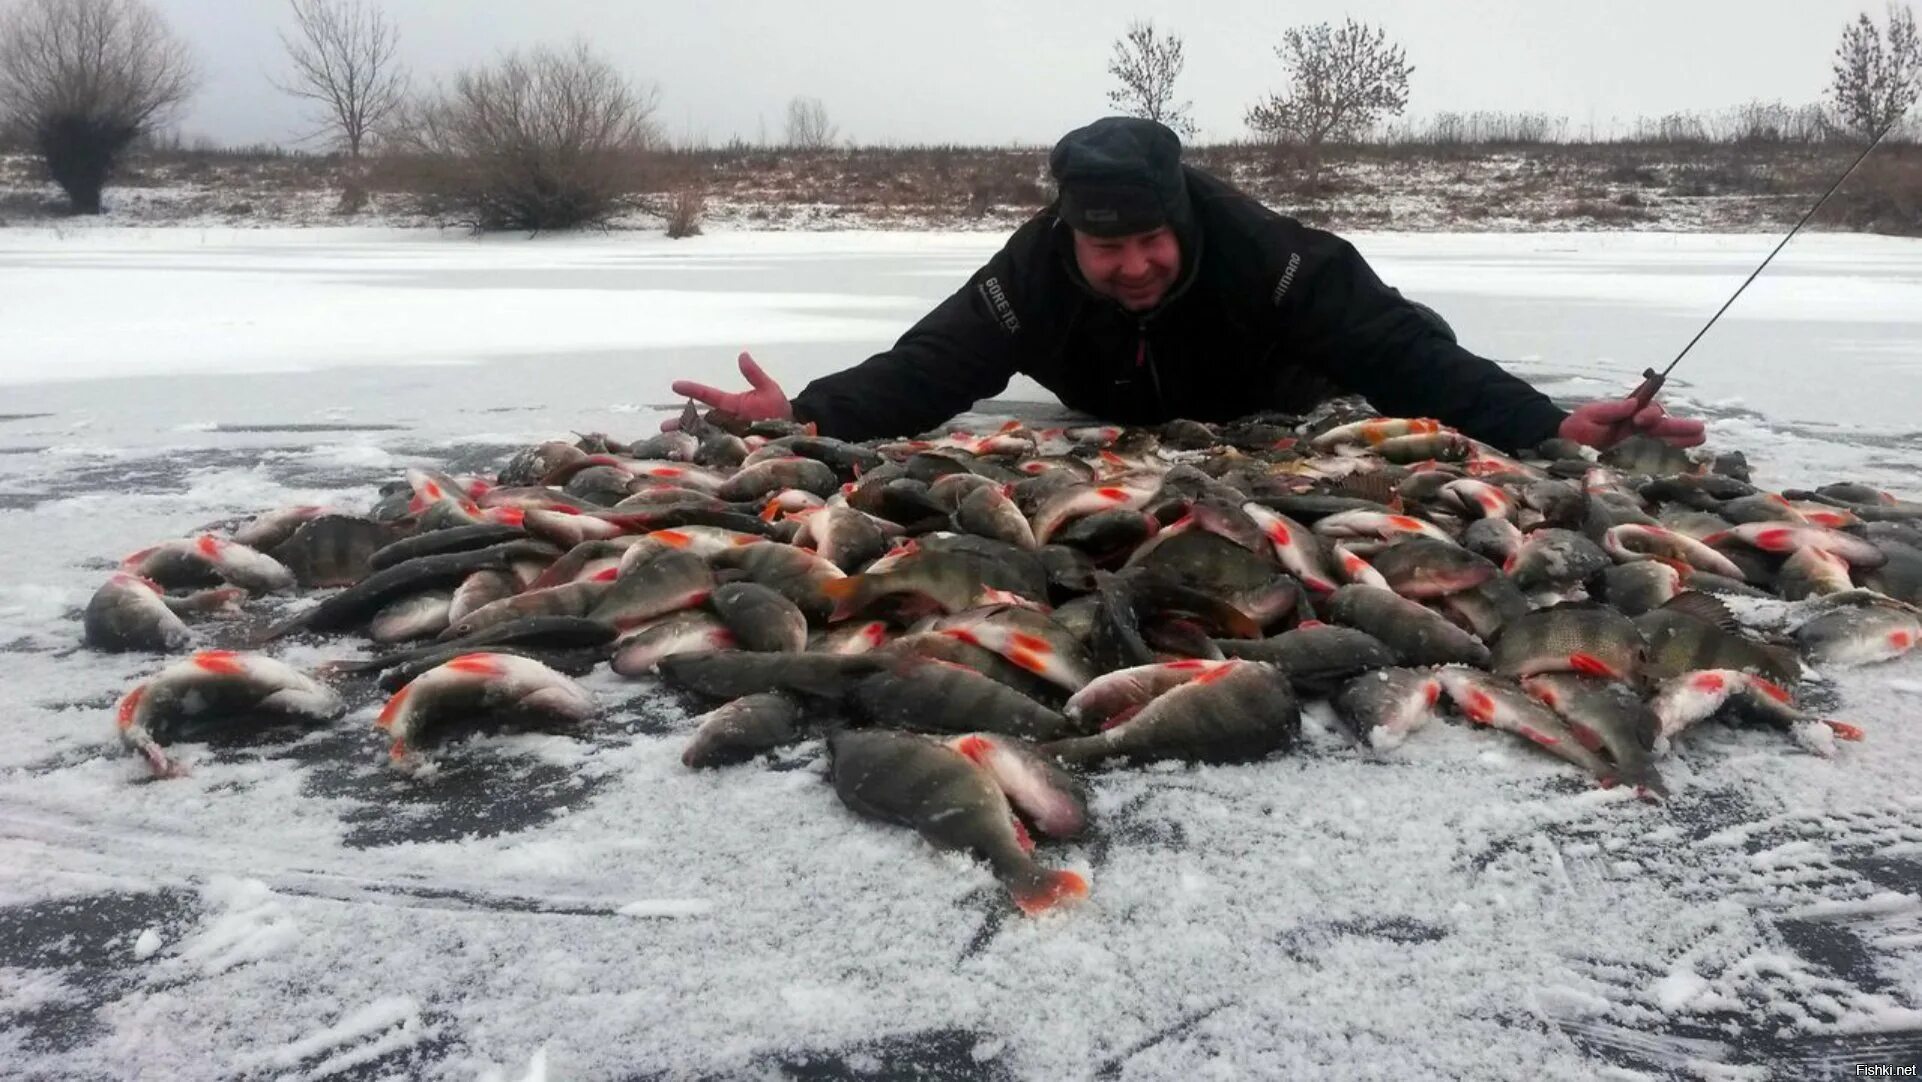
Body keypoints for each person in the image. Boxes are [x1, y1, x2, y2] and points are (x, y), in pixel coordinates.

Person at [665, 116, 1705, 453]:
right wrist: (801, 413)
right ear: (1070, 231)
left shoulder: (1268, 251)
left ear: (1179, 216)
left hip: (1269, 398)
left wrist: (1544, 426)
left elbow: (1398, 350)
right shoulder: (1031, 268)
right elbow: (929, 367)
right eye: (1102, 249)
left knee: (1394, 336)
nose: (1129, 267)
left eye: (1148, 242)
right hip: (1112, 405)